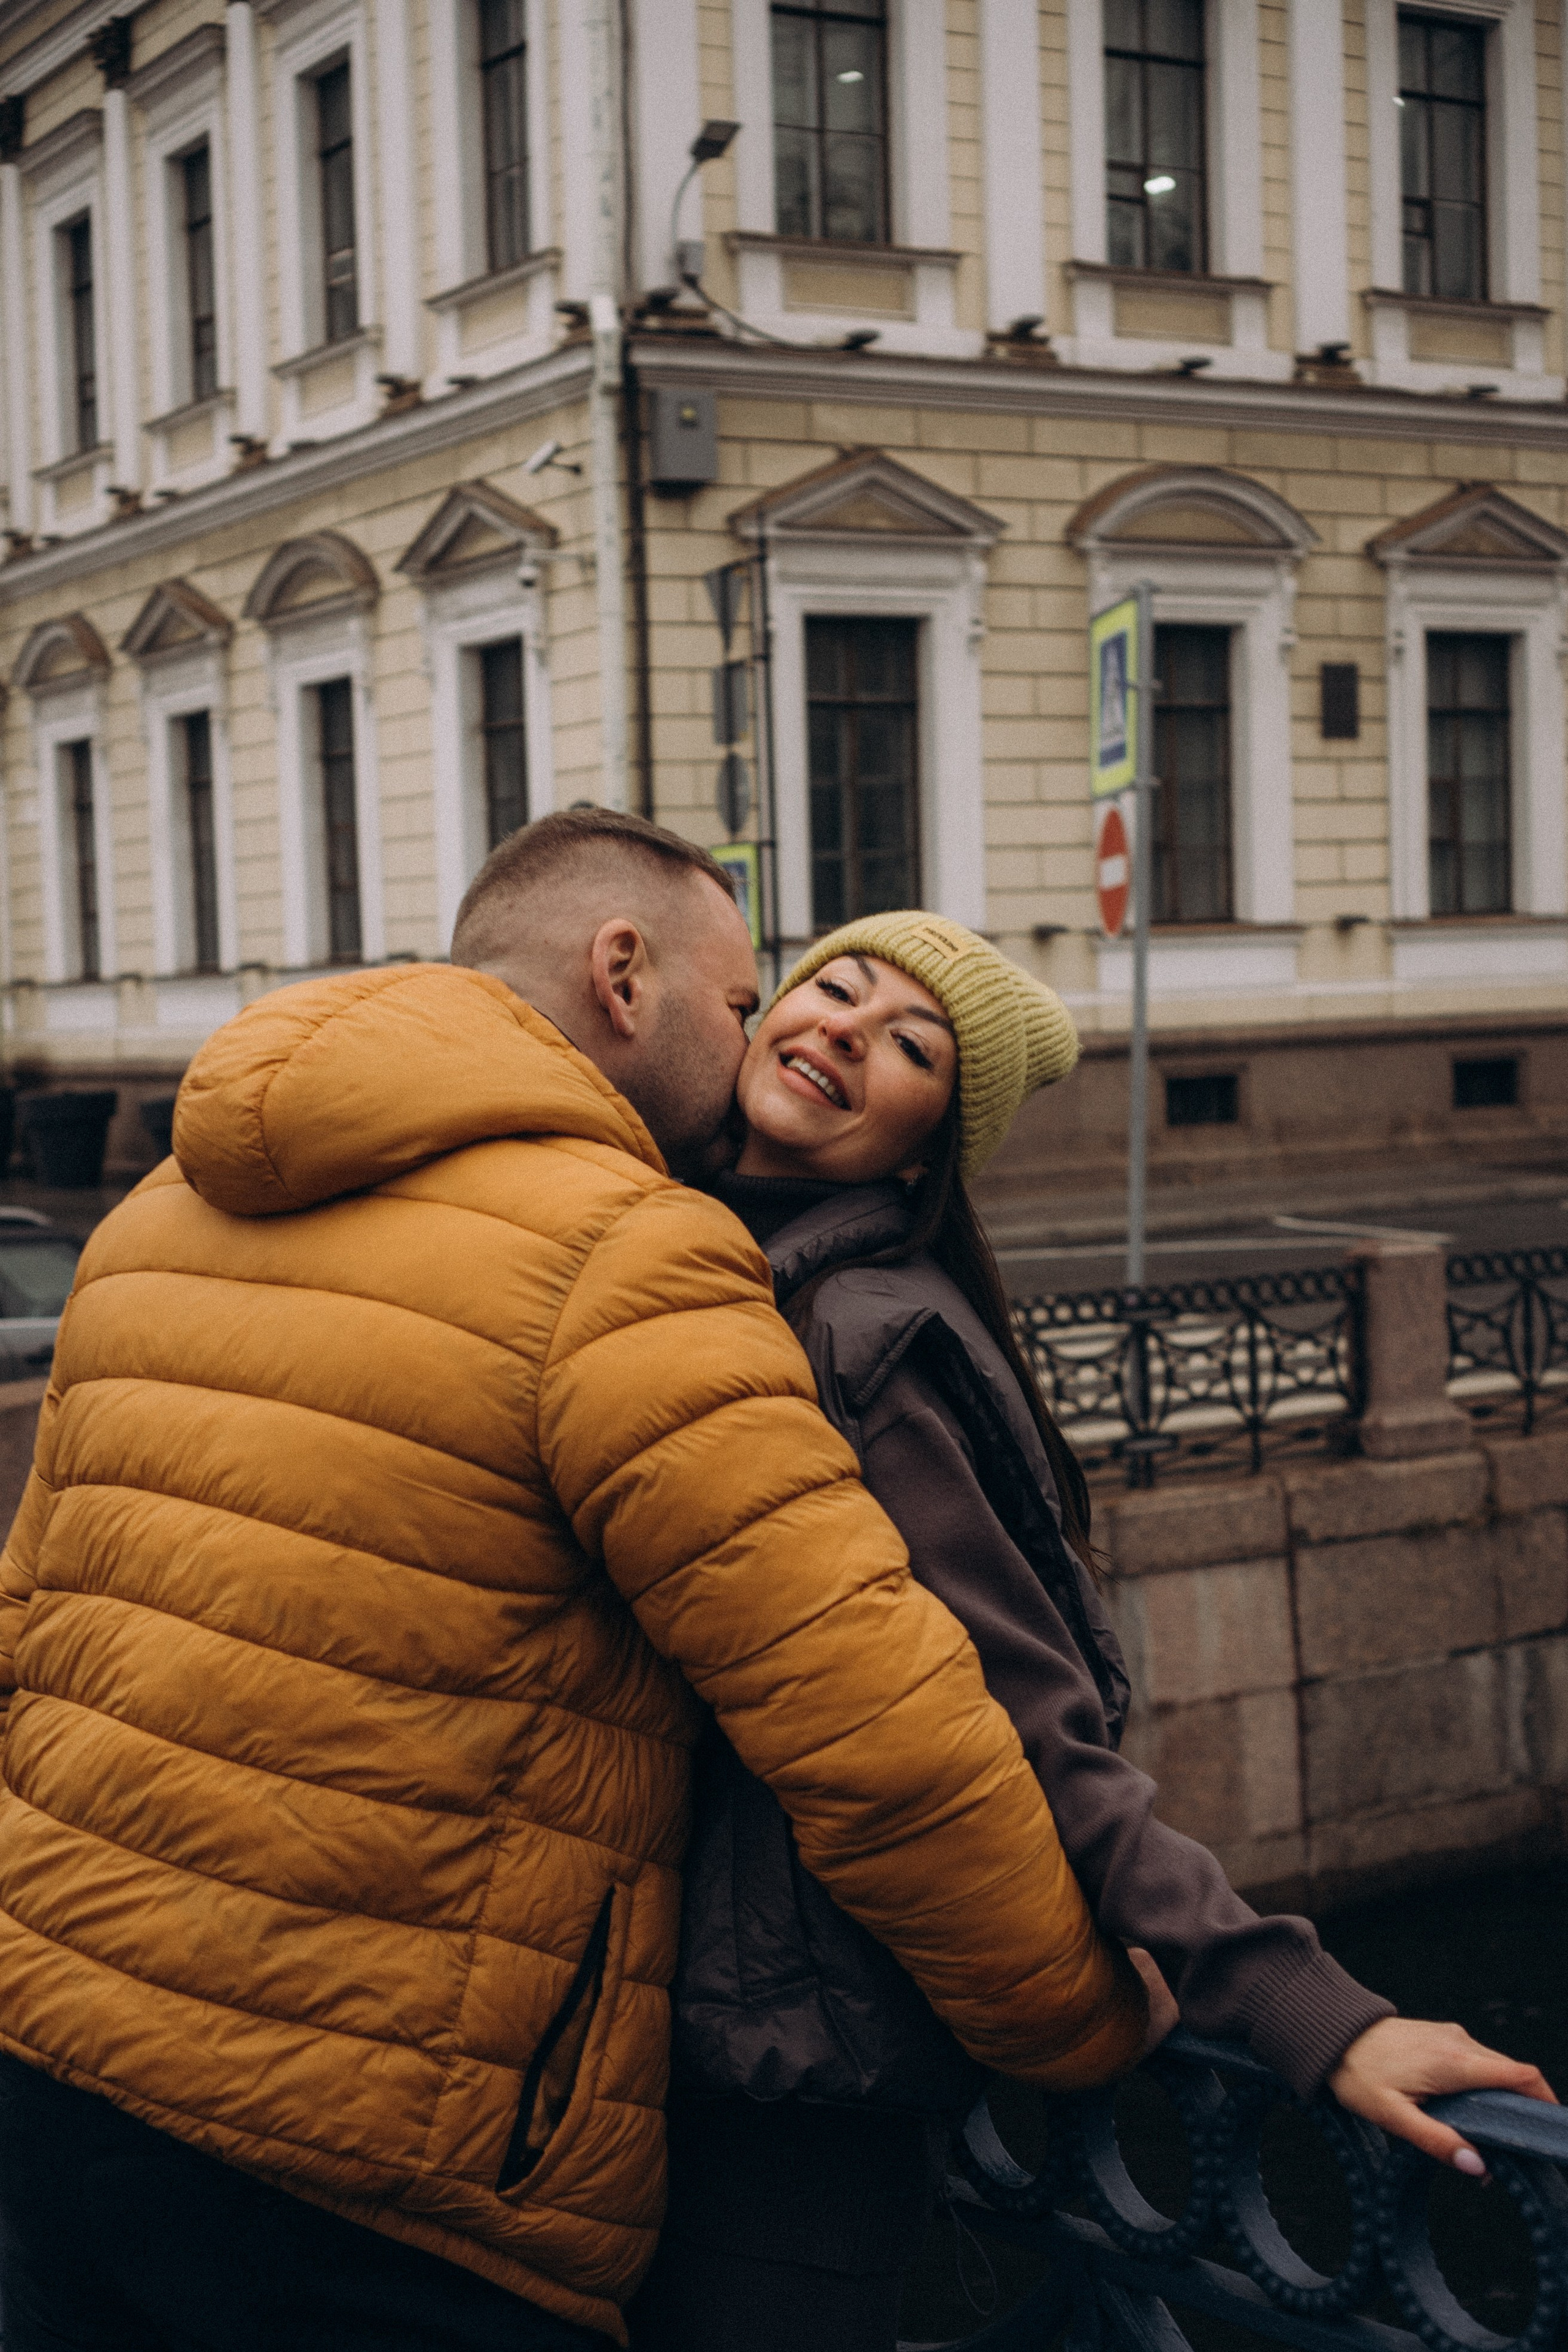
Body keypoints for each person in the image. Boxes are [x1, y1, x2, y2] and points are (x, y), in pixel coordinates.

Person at [0, 815, 1148, 2352]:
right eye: (740, 1001)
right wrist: (1076, 2017)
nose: (757, 1039)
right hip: (380, 2172)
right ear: (623, 975)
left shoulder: (152, 1216)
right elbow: (875, 1733)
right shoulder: (628, 1254)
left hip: (50, 2083)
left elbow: (28, 1627)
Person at [631, 911, 1558, 2352]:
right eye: (836, 987)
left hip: (793, 2071)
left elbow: (1028, 1720)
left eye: (909, 1047)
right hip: (691, 2020)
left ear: (927, 1150)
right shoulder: (709, 1254)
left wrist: (1299, 2006)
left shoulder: (862, 1335)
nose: (846, 1031)